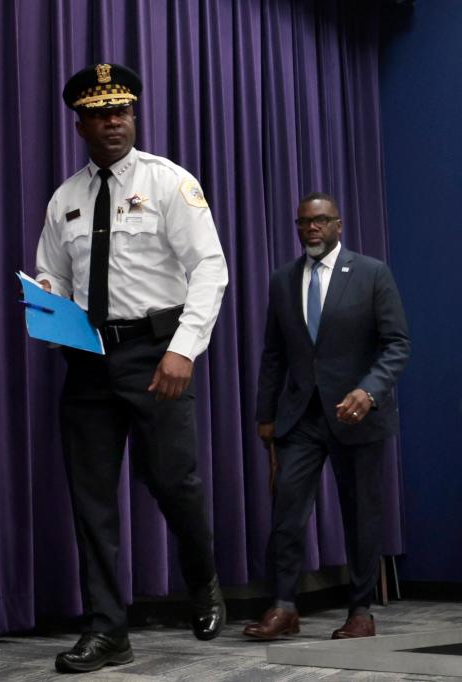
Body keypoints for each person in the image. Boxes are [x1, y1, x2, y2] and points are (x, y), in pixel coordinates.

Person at [35, 63, 228, 674]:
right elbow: (54, 274)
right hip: (89, 358)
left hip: (156, 351)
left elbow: (210, 269)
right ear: (80, 123)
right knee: (91, 501)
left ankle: (203, 579)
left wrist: (184, 348)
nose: (113, 120)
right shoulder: (64, 199)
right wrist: (46, 298)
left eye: (122, 109)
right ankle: (108, 630)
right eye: (100, 112)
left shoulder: (169, 183)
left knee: (175, 483)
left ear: (134, 115)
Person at [245, 192, 410, 641]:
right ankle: (283, 606)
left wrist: (369, 391)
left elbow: (397, 344)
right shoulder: (283, 279)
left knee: (360, 516)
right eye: (303, 223)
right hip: (300, 418)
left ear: (338, 225)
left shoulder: (372, 273)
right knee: (287, 514)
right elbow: (274, 354)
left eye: (320, 221)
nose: (311, 229)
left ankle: (361, 613)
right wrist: (265, 416)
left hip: (357, 416)